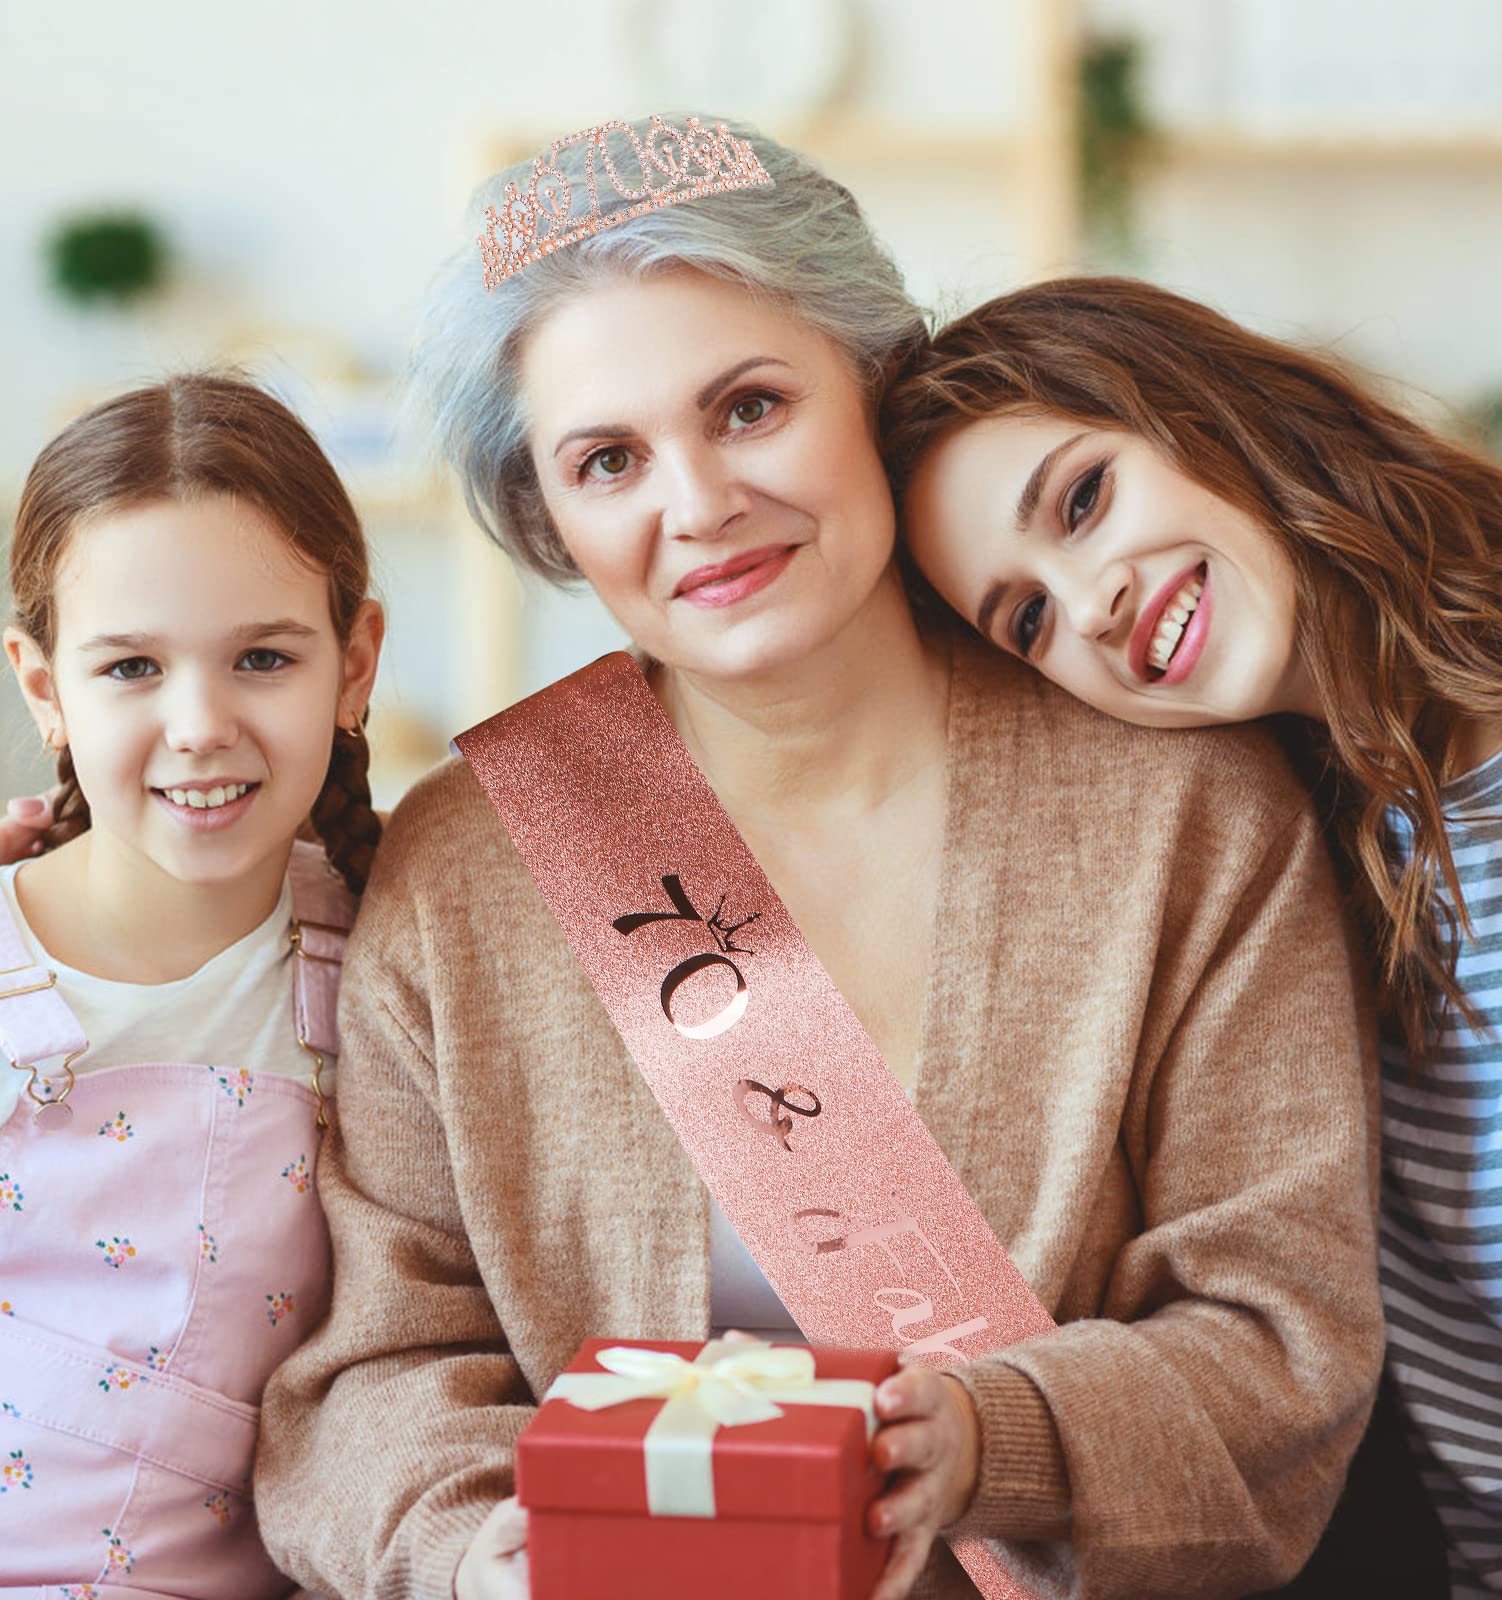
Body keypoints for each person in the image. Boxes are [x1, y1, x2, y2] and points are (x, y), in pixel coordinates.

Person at [236, 120, 1385, 1600]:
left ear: (875, 386)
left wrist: (990, 1436)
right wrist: (477, 1554)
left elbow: (1280, 1339)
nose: (698, 503)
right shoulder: (470, 862)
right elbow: (371, 1373)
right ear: (549, 521)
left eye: (752, 407)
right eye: (608, 461)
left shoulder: (1187, 807)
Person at [881, 274, 1502, 1600]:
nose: (1089, 605)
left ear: (1210, 410)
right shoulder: (1279, 866)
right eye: (1027, 618)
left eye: (1082, 499)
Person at [0, 373, 384, 1597]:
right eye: (130, 667)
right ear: (44, 687)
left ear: (355, 664)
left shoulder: (399, 967)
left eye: (262, 656)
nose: (200, 723)